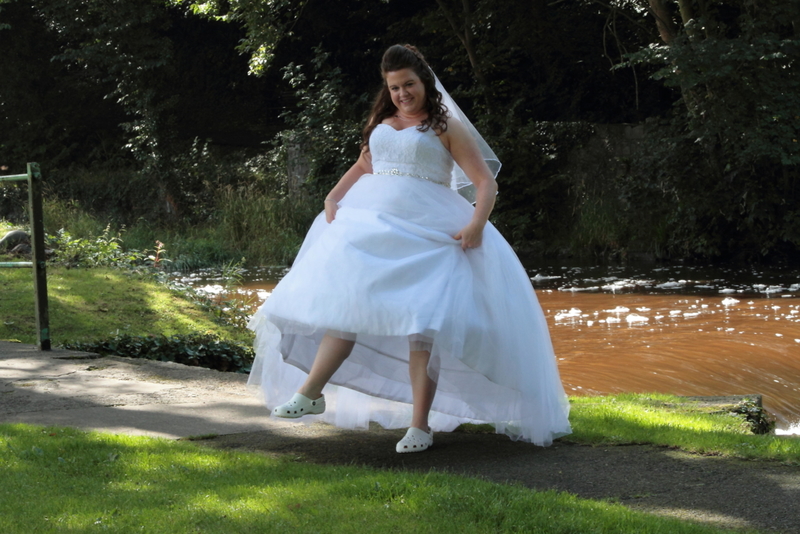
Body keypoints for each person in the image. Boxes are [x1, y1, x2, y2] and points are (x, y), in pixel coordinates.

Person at [247, 44, 571, 453]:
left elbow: (486, 183)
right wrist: (333, 196)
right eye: (395, 87)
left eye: (409, 85)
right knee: (345, 304)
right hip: (370, 225)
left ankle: (420, 426)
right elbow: (366, 165)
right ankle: (311, 391)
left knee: (423, 326)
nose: (402, 93)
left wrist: (476, 224)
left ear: (425, 82)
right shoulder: (382, 120)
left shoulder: (444, 125)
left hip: (428, 232)